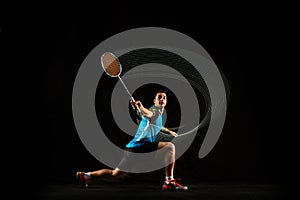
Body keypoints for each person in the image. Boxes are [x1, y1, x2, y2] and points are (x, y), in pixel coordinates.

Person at [76, 90, 188, 191]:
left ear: (166, 101)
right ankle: (169, 182)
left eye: (164, 98)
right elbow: (149, 114)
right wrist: (142, 107)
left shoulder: (159, 114)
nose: (162, 99)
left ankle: (86, 175)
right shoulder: (154, 110)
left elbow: (157, 125)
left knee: (116, 174)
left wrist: (169, 131)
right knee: (169, 148)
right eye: (159, 97)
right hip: (139, 147)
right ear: (155, 101)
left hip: (132, 149)